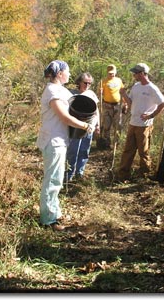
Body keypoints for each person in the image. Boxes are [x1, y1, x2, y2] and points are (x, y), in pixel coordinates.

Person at [36, 60, 94, 231]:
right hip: (52, 140)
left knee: (58, 178)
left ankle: (55, 212)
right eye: (67, 71)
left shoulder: (62, 90)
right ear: (60, 73)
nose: (70, 75)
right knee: (52, 179)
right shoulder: (52, 90)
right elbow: (64, 117)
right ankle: (48, 220)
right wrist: (84, 126)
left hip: (60, 139)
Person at [116, 63, 164, 181]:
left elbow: (162, 103)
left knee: (143, 151)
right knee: (128, 149)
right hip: (133, 122)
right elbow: (131, 103)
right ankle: (123, 175)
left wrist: (151, 115)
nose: (134, 75)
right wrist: (123, 94)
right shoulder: (136, 86)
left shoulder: (152, 88)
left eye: (136, 73)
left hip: (144, 125)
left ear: (142, 73)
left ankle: (144, 175)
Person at [65, 73, 100, 181]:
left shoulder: (91, 94)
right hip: (75, 128)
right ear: (79, 82)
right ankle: (69, 174)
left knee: (84, 150)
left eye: (90, 83)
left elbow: (96, 111)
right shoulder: (71, 94)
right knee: (73, 151)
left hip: (89, 127)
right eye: (85, 83)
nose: (87, 85)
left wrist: (98, 125)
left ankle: (80, 173)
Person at [98, 64, 126, 149]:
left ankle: (116, 144)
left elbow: (122, 92)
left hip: (117, 105)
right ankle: (106, 143)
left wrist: (125, 104)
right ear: (107, 73)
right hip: (107, 106)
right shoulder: (103, 81)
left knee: (118, 125)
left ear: (115, 72)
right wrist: (100, 92)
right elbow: (99, 94)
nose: (111, 75)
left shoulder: (119, 81)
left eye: (113, 73)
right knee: (106, 125)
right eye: (110, 73)